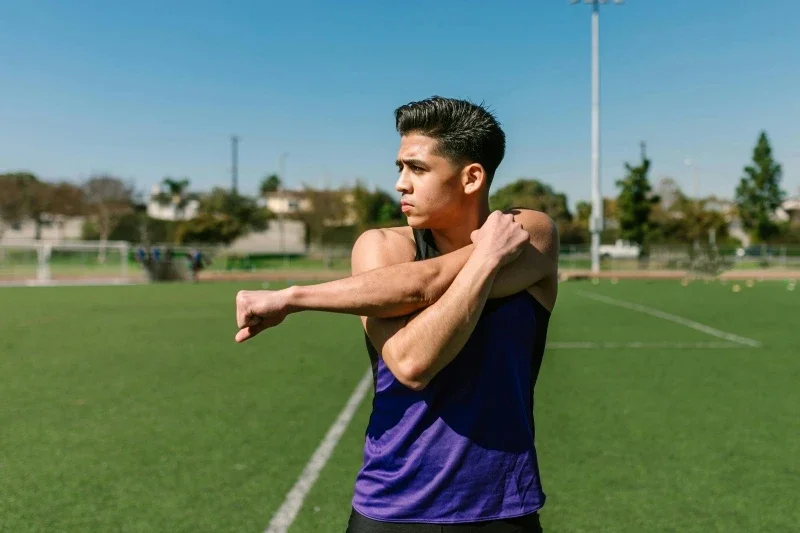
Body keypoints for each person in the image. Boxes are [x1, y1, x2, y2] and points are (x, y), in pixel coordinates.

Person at [234, 96, 559, 532]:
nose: (400, 184)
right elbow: (411, 361)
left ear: (472, 177)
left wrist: (293, 297)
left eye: (418, 169)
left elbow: (421, 287)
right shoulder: (383, 246)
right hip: (393, 508)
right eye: (399, 167)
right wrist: (485, 260)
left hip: (502, 507)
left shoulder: (529, 233)